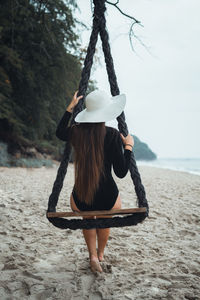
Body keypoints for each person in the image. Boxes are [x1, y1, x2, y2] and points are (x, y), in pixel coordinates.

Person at [56, 90, 134, 273]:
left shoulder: (76, 132)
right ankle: (100, 255)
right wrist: (128, 147)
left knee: (88, 217)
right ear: (105, 112)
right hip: (108, 198)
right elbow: (121, 172)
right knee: (105, 218)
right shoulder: (113, 135)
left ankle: (92, 256)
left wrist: (70, 108)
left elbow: (59, 132)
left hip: (81, 197)